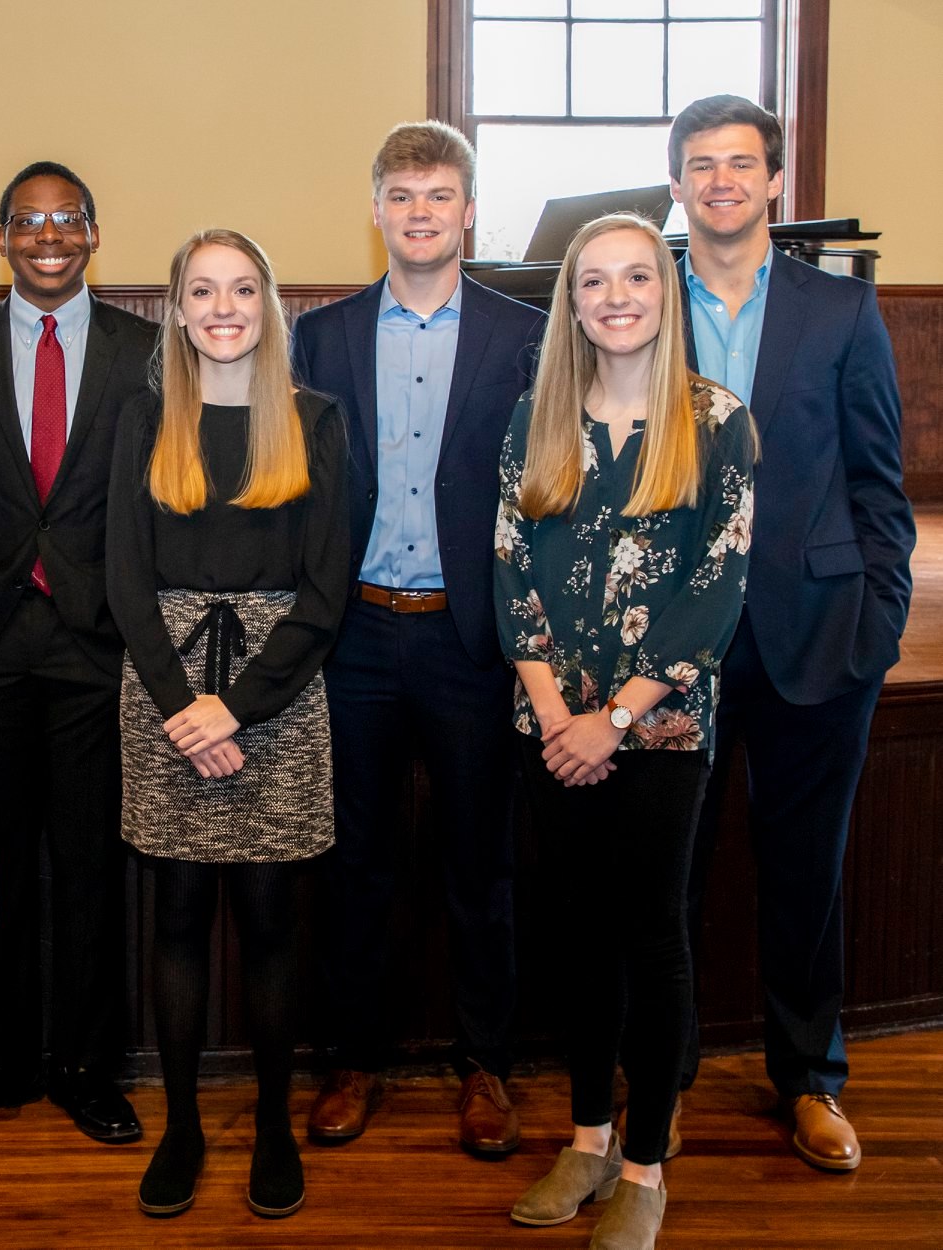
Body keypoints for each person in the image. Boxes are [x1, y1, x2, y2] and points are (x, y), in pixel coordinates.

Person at [495, 214, 756, 1250]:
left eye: (636, 276)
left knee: (651, 935)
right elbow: (509, 568)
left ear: (666, 288)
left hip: (660, 726)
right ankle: (590, 1134)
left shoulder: (717, 419)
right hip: (550, 723)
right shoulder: (535, 417)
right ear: (570, 300)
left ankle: (645, 1161)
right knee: (576, 933)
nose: (616, 295)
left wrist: (612, 718)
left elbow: (714, 589)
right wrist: (558, 711)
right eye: (593, 280)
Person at [667, 95, 915, 1172]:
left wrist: (880, 621)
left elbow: (879, 485)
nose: (722, 180)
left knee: (805, 870)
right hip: (668, 640)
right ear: (675, 182)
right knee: (664, 874)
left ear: (776, 179)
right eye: (701, 164)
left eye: (742, 163)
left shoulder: (839, 312)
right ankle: (660, 1078)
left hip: (817, 636)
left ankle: (810, 1077)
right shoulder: (632, 301)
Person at [290, 120, 545, 1154]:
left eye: (440, 194)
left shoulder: (522, 331)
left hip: (470, 638)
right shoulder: (325, 334)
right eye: (402, 195)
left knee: (479, 864)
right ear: (377, 208)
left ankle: (485, 1063)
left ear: (469, 209)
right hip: (354, 634)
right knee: (358, 863)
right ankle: (355, 1057)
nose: (421, 212)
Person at [0, 161, 156, 1141]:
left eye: (66, 220)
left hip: (99, 639)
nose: (47, 234)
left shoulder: (146, 346)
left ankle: (87, 1063)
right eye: (27, 220)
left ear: (93, 234)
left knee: (91, 867)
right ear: (2, 237)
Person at [108, 229, 350, 1219]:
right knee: (172, 915)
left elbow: (328, 590)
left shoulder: (315, 418)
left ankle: (277, 1123)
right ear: (176, 306)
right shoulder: (142, 413)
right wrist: (184, 709)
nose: (222, 308)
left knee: (268, 920)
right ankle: (180, 1124)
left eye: (241, 289)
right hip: (163, 684)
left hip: (279, 692)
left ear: (268, 303)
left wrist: (236, 705)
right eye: (202, 290)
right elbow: (123, 575)